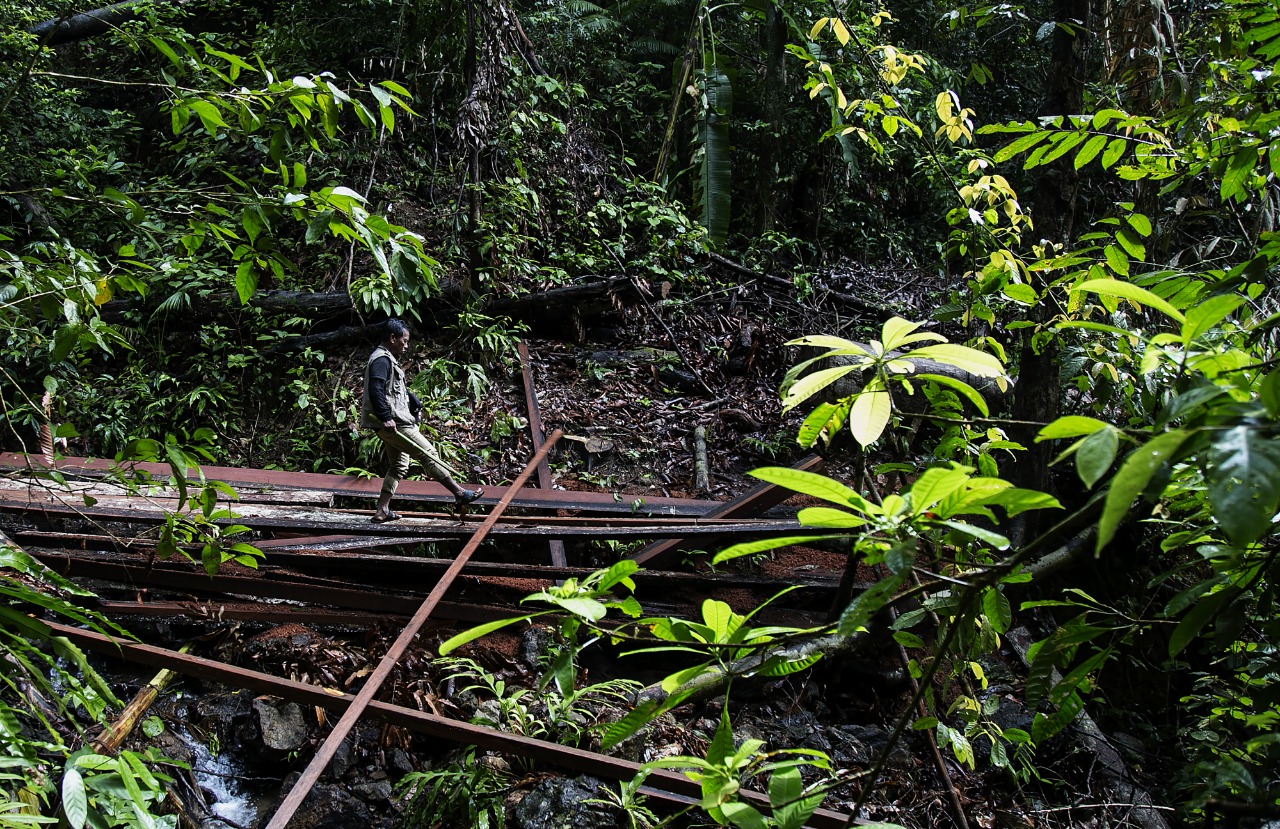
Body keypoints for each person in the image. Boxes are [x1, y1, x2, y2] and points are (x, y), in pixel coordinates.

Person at [360, 319, 483, 522]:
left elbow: (390, 389)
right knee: (429, 454)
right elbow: (376, 389)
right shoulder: (381, 359)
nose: (406, 346)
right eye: (404, 341)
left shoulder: (387, 359)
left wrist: (412, 399)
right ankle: (460, 494)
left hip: (394, 423)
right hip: (395, 425)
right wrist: (385, 417)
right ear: (392, 338)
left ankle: (382, 510)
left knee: (398, 465)